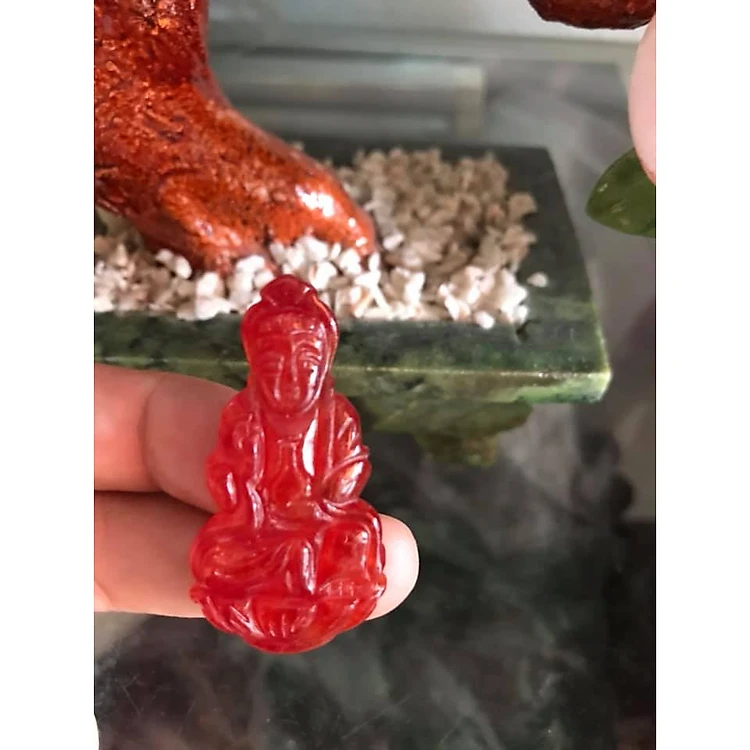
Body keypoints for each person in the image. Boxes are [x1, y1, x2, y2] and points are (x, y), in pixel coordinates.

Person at [94, 15, 655, 625]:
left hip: (313, 527)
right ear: (259, 359)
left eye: (302, 360)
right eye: (279, 360)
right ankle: (272, 591)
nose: (290, 373)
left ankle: (298, 590)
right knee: (220, 551)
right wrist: (260, 506)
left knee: (359, 537)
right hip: (263, 531)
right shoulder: (246, 421)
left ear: (320, 361)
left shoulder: (330, 418)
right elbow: (230, 481)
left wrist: (318, 507)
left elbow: (347, 473)